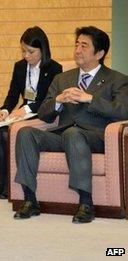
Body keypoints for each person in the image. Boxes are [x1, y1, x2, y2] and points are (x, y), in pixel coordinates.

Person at [13, 26, 128, 223]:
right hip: (62, 135)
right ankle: (30, 200)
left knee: (74, 134)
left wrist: (89, 98)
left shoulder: (117, 80)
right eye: (77, 44)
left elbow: (123, 111)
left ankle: (86, 203)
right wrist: (58, 100)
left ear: (99, 53)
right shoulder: (62, 78)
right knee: (26, 133)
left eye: (84, 46)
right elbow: (44, 114)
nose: (78, 50)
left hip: (96, 137)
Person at [0, 26, 62, 199]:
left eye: (31, 52)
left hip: (41, 113)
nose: (26, 56)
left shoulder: (55, 68)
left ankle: (10, 186)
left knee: (7, 134)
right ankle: (2, 183)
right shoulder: (20, 67)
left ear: (42, 49)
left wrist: (26, 109)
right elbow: (13, 94)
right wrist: (4, 109)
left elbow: (50, 100)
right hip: (22, 112)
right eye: (23, 51)